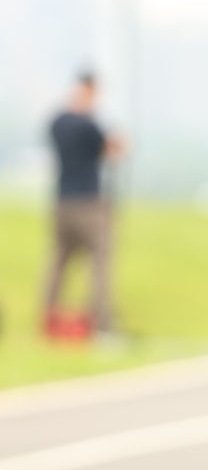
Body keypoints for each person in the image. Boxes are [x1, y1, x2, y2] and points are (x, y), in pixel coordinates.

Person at [43, 70, 125, 337]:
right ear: (90, 91)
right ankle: (102, 324)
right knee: (100, 261)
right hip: (89, 203)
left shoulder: (57, 122)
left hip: (62, 203)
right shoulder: (89, 125)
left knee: (58, 261)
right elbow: (112, 152)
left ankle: (47, 318)